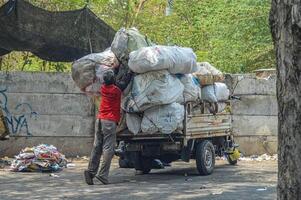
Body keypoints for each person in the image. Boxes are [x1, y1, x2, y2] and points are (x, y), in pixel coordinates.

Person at [84, 69, 133, 185]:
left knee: (97, 147)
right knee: (108, 149)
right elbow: (125, 82)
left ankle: (91, 171)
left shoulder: (103, 88)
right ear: (114, 80)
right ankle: (102, 175)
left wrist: (114, 70)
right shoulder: (116, 90)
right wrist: (130, 72)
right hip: (109, 122)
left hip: (100, 120)